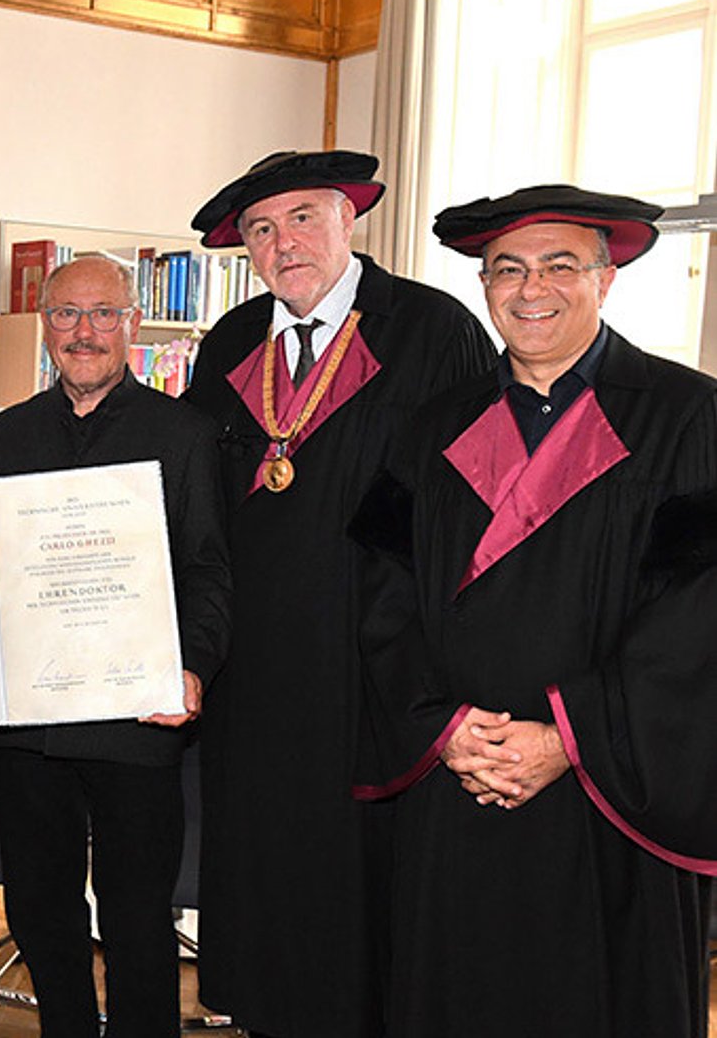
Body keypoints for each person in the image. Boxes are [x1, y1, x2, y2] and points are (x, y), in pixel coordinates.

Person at [350, 184, 717, 1038]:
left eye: (560, 266)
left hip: (610, 788)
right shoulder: (434, 426)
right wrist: (441, 728)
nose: (530, 290)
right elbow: (379, 589)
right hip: (462, 776)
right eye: (505, 270)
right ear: (483, 288)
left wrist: (569, 733)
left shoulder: (689, 417)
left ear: (607, 278)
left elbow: (699, 614)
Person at [182, 150, 495, 1037]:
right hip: (253, 667)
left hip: (373, 660)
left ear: (347, 219)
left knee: (361, 879)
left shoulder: (430, 330)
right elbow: (194, 492)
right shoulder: (234, 342)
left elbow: (460, 502)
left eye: (303, 219)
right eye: (261, 231)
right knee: (262, 867)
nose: (286, 244)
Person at [0, 254, 232, 1036]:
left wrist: (193, 667)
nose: (83, 332)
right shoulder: (6, 433)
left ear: (130, 323)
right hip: (29, 722)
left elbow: (206, 569)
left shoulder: (183, 434)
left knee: (135, 913)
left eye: (101, 314)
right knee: (39, 905)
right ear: (45, 326)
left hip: (136, 715)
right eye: (65, 315)